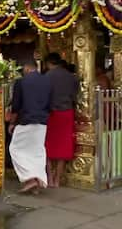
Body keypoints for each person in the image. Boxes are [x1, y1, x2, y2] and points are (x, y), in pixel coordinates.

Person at [9, 61, 52, 194]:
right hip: (42, 120)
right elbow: (51, 102)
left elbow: (16, 105)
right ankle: (37, 180)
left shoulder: (21, 82)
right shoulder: (47, 81)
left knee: (15, 149)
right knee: (37, 151)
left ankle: (30, 179)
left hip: (26, 119)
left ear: (27, 69)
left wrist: (12, 122)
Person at [45, 53, 78, 188]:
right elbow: (75, 95)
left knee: (47, 146)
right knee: (63, 146)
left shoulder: (47, 77)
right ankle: (58, 180)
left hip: (51, 114)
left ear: (48, 63)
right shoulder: (71, 77)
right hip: (67, 113)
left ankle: (50, 178)